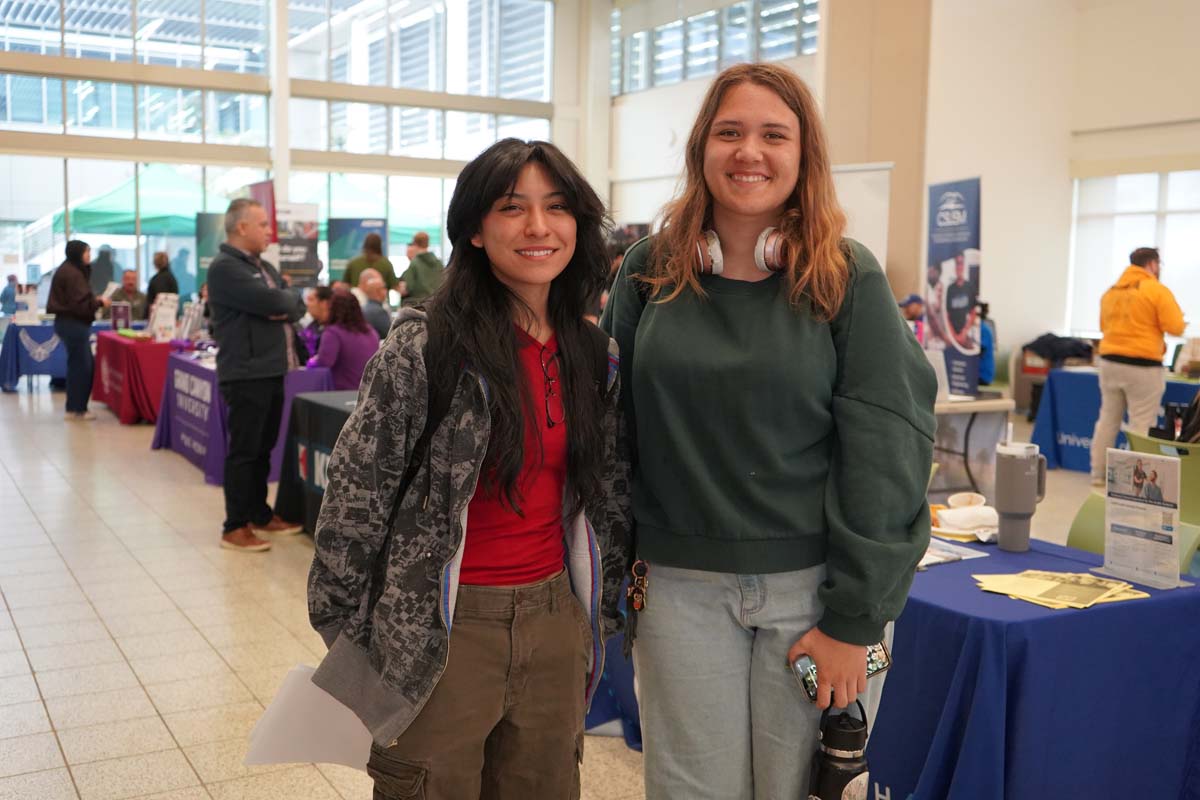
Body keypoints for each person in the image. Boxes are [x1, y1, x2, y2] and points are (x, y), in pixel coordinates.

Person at [600, 63, 936, 798]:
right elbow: (608, 432)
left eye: (773, 135)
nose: (749, 151)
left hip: (814, 594)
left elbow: (889, 446)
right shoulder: (649, 272)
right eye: (730, 132)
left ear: (803, 155)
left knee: (801, 789)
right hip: (679, 590)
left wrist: (856, 619)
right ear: (702, 150)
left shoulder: (845, 277)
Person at [308, 138, 630, 799]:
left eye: (558, 207)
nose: (539, 227)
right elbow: (353, 499)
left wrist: (599, 613)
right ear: (476, 229)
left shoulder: (595, 354)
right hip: (440, 629)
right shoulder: (425, 346)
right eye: (513, 207)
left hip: (554, 622)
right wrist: (350, 638)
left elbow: (607, 496)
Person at [207, 198, 307, 553]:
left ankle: (259, 514)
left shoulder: (261, 266)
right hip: (246, 373)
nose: (270, 231)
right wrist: (280, 301)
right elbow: (278, 303)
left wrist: (283, 300)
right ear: (241, 227)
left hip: (270, 369)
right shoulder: (225, 268)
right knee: (245, 452)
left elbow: (295, 302)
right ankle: (234, 526)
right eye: (263, 224)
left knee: (263, 449)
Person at [1089, 246, 1186, 485]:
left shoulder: (1110, 292)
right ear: (1152, 264)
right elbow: (1176, 327)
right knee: (1141, 424)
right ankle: (1137, 484)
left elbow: (1103, 327)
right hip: (1143, 366)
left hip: (1109, 362)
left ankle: (1098, 475)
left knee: (1107, 420)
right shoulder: (1156, 290)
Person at [47, 240, 111, 420]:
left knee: (79, 365)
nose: (89, 256)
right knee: (82, 367)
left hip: (69, 323)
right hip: (73, 324)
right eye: (86, 252)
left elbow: (77, 298)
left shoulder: (69, 270)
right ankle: (77, 409)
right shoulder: (73, 273)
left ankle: (75, 407)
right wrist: (99, 302)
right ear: (77, 253)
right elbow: (79, 303)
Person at [305, 290, 380, 390]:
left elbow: (324, 362)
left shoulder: (333, 332)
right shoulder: (371, 332)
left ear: (332, 308)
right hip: (368, 392)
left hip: (342, 394)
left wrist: (312, 361)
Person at [400, 230, 445, 305]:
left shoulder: (415, 264)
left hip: (419, 306)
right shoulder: (439, 263)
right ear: (428, 243)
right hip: (437, 305)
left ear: (415, 243)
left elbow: (406, 289)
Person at [945, 254, 977, 348]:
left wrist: (964, 332)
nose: (959, 267)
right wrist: (953, 335)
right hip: (952, 336)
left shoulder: (970, 287)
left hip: (966, 335)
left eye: (961, 263)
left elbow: (973, 312)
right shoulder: (950, 288)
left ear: (964, 266)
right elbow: (947, 315)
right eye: (957, 264)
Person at [357, 267, 393, 339]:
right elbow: (390, 335)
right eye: (384, 288)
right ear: (378, 291)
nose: (386, 291)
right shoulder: (379, 312)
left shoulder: (364, 308)